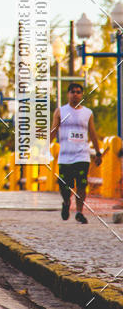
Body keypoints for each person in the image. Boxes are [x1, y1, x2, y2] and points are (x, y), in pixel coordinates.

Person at [50, 82, 102, 224]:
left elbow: (92, 133)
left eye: (78, 92)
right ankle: (66, 202)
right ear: (68, 94)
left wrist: (98, 152)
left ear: (82, 95)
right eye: (72, 92)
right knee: (65, 186)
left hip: (82, 156)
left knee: (81, 184)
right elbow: (53, 131)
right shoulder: (60, 111)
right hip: (65, 157)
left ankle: (79, 212)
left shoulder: (88, 113)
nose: (75, 94)